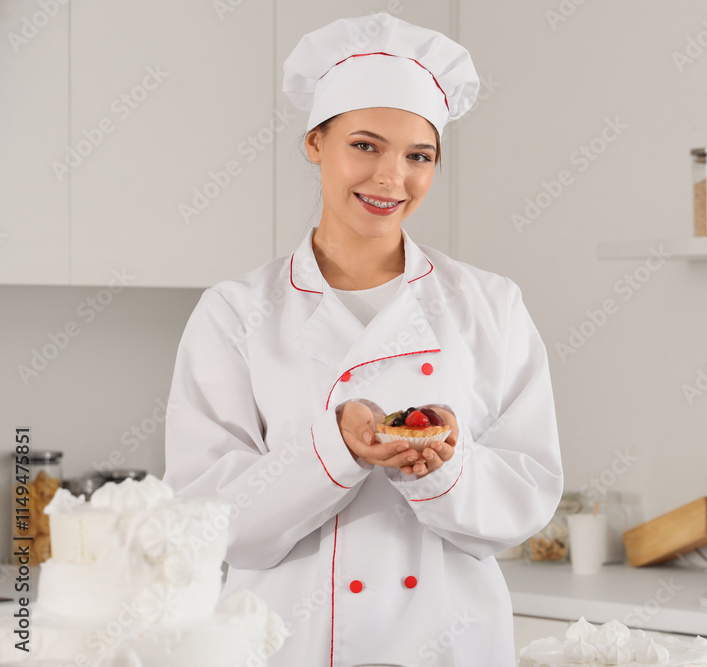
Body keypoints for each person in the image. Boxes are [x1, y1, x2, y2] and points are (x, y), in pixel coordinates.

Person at [163, 13, 563, 667]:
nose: (392, 178)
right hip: (288, 643)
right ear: (315, 143)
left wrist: (445, 467)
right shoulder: (235, 312)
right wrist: (336, 449)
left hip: (450, 642)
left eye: (419, 156)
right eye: (365, 145)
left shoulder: (490, 305)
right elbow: (208, 525)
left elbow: (526, 498)